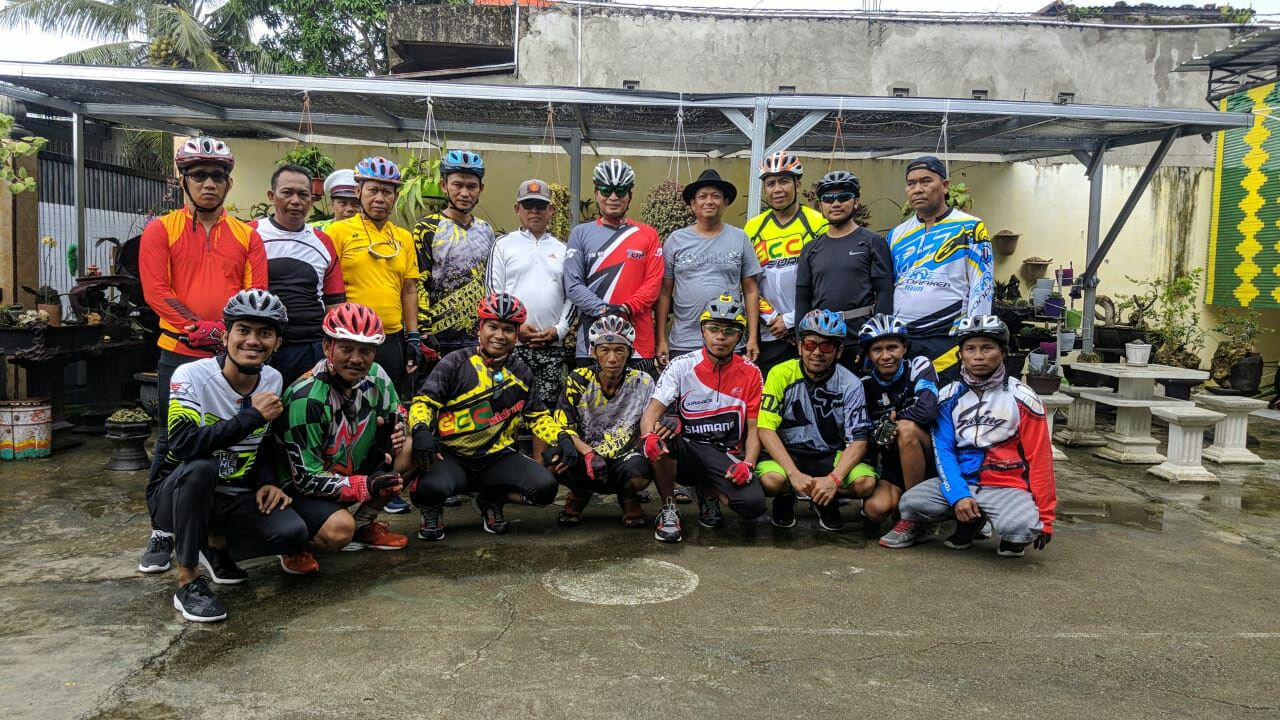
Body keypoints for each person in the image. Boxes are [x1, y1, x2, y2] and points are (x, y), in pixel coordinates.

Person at [137, 136, 267, 576]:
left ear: (229, 184)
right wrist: (200, 328)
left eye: (217, 176)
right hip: (178, 350)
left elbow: (257, 292)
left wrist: (225, 334)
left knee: (233, 436)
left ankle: (215, 531)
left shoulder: (247, 235)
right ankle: (161, 530)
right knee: (170, 440)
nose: (208, 183)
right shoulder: (161, 229)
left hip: (234, 358)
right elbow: (156, 291)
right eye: (198, 175)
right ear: (183, 180)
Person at [148, 290, 311, 622]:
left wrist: (267, 482)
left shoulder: (272, 378)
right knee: (201, 467)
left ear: (277, 343)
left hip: (231, 493)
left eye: (264, 333)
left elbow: (263, 441)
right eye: (244, 330)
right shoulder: (190, 376)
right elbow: (181, 445)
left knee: (292, 532)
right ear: (225, 335)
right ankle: (188, 579)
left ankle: (214, 542)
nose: (253, 341)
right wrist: (251, 416)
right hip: (176, 495)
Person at [886, 315, 1056, 557]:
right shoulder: (947, 396)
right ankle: (968, 522)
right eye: (970, 349)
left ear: (1003, 353)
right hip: (963, 479)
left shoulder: (1023, 398)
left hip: (1005, 485)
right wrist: (958, 496)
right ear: (961, 355)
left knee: (1021, 529)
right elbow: (943, 451)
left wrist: (1046, 517)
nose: (978, 356)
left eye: (987, 348)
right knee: (910, 503)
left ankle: (1011, 539)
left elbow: (1040, 459)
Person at [409, 292, 561, 540]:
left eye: (508, 330)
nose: (500, 336)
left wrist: (561, 437)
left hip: (497, 457)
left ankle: (490, 501)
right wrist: (421, 430)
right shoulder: (454, 362)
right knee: (430, 489)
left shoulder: (521, 371)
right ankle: (431, 508)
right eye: (493, 327)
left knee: (545, 489)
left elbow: (538, 417)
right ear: (480, 328)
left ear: (517, 334)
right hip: (452, 455)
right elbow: (424, 402)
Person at [275, 303, 412, 575]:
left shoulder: (376, 375)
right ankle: (293, 542)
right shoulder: (307, 398)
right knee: (339, 532)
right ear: (328, 347)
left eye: (366, 350)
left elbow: (398, 411)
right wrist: (365, 485)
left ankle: (364, 524)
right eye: (347, 348)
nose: (357, 359)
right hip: (299, 490)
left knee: (415, 447)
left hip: (348, 468)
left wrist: (399, 431)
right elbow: (305, 478)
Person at [639, 293, 765, 528]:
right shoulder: (682, 365)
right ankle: (669, 509)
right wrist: (647, 437)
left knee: (753, 506)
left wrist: (748, 464)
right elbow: (652, 412)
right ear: (702, 331)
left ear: (740, 335)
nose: (720, 336)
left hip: (725, 454)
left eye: (729, 330)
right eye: (713, 328)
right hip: (688, 448)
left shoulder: (751, 372)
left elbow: (754, 427)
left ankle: (707, 491)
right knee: (658, 435)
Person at [551, 316, 681, 542]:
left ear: (630, 352)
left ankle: (628, 496)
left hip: (626, 457)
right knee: (554, 460)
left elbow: (660, 414)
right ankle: (579, 494)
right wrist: (588, 453)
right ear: (593, 352)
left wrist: (671, 419)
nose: (612, 358)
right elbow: (563, 424)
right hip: (587, 456)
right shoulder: (578, 379)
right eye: (605, 350)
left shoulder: (643, 380)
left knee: (641, 473)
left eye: (620, 350)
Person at [756, 309, 874, 532]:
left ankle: (822, 496)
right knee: (772, 481)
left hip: (827, 454)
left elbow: (859, 440)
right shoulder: (779, 373)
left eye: (827, 346)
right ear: (800, 346)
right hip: (788, 453)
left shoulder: (851, 383)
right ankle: (786, 494)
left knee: (865, 483)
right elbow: (765, 429)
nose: (817, 352)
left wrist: (834, 480)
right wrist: (793, 474)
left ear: (839, 351)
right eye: (810, 344)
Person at [486, 178, 573, 464]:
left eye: (541, 206)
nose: (534, 211)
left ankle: (540, 467)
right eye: (528, 206)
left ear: (551, 211)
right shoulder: (503, 245)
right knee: (505, 404)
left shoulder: (563, 249)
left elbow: (572, 295)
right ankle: (504, 466)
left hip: (550, 345)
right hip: (510, 344)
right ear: (517, 209)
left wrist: (558, 331)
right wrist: (514, 328)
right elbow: (493, 292)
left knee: (545, 407)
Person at [887, 155, 994, 382]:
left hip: (947, 338)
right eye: (911, 183)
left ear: (945, 186)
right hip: (904, 339)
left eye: (926, 181)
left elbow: (982, 283)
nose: (917, 189)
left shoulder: (971, 227)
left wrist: (975, 339)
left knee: (944, 407)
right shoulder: (896, 234)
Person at [325, 156, 422, 397]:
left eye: (387, 192)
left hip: (391, 337)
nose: (380, 198)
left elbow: (409, 289)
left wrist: (413, 336)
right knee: (345, 400)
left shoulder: (404, 237)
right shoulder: (337, 232)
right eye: (373, 190)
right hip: (350, 338)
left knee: (388, 402)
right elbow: (326, 286)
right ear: (358, 191)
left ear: (395, 197)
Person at [563, 158, 664, 376]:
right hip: (592, 342)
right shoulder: (580, 233)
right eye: (606, 190)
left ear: (630, 194)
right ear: (596, 192)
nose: (613, 197)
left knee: (639, 407)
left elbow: (654, 283)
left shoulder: (648, 234)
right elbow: (572, 284)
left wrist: (626, 308)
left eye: (620, 190)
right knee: (590, 407)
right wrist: (602, 309)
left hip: (639, 343)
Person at [656, 168, 762, 366]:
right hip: (684, 341)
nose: (709, 201)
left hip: (729, 339)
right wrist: (661, 338)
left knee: (728, 395)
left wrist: (752, 337)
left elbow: (750, 290)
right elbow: (664, 292)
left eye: (716, 196)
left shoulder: (740, 238)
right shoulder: (676, 241)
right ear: (692, 204)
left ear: (725, 202)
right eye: (702, 196)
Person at [254, 163, 347, 387]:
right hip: (260, 346)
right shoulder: (250, 234)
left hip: (310, 347)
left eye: (303, 194)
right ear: (271, 196)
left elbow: (334, 302)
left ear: (311, 200)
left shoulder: (323, 242)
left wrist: (331, 348)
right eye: (287, 193)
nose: (295, 200)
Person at [851, 314, 940, 540]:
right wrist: (879, 429)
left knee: (905, 428)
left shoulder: (919, 366)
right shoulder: (864, 385)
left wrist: (892, 420)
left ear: (904, 347)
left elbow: (927, 412)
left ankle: (914, 516)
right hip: (892, 464)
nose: (886, 356)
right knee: (875, 510)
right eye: (877, 350)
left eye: (892, 347)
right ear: (869, 354)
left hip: (927, 456)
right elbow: (866, 435)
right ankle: (903, 508)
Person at [795, 170, 894, 372]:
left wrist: (875, 340)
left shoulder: (872, 242)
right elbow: (802, 299)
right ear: (821, 205)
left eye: (844, 197)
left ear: (856, 202)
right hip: (821, 342)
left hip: (859, 338)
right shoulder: (811, 249)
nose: (836, 203)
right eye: (828, 199)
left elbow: (884, 292)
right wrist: (800, 339)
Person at [744, 151, 828, 377]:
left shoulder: (818, 224)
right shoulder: (753, 228)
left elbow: (826, 282)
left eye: (784, 181)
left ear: (797, 184)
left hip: (810, 331)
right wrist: (772, 318)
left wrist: (791, 319)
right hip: (770, 332)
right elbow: (748, 282)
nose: (777, 189)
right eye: (770, 183)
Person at [414, 149, 497, 359]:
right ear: (444, 186)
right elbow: (418, 282)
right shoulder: (426, 228)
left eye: (472, 186)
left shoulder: (486, 229)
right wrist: (423, 331)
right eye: (457, 185)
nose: (465, 193)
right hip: (438, 336)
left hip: (478, 335)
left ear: (481, 189)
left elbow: (491, 281)